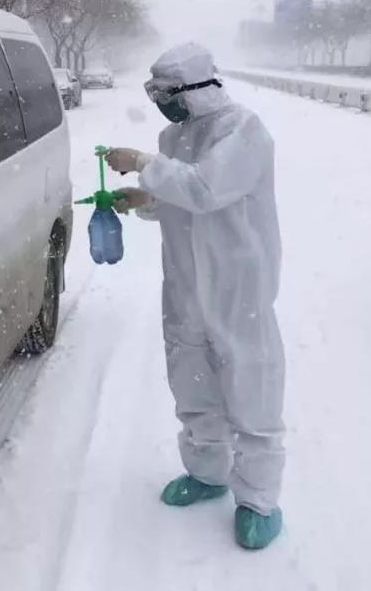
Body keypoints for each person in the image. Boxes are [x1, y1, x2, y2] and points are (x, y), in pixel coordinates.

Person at [105, 42, 286, 550]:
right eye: (155, 92)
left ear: (197, 90)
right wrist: (147, 198)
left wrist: (141, 162)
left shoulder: (242, 130)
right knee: (193, 380)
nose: (161, 101)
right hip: (186, 282)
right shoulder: (173, 135)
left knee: (251, 387)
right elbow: (181, 197)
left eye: (167, 93)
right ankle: (208, 472)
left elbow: (207, 189)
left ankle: (258, 499)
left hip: (237, 283)